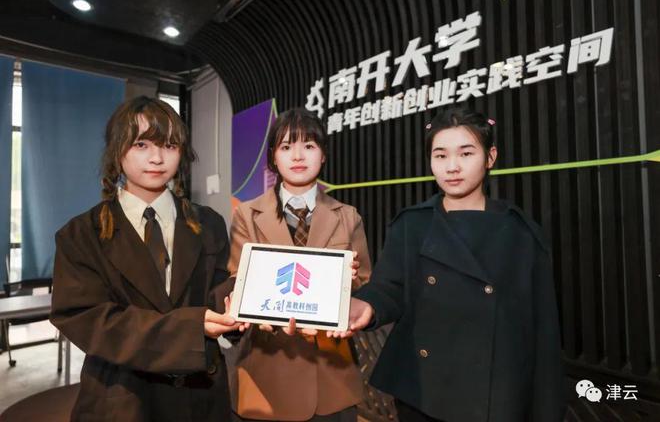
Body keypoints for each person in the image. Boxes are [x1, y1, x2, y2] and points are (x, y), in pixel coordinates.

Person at [341, 107, 566, 421]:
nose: (452, 167)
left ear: (490, 157)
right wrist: (367, 305)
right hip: (423, 391)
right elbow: (389, 287)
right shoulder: (412, 224)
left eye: (466, 153)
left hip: (496, 393)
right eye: (441, 155)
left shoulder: (520, 233)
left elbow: (543, 333)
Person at [50, 96, 243, 422]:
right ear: (117, 150)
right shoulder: (81, 234)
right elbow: (87, 317)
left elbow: (216, 290)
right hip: (122, 399)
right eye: (141, 144)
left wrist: (243, 302)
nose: (157, 158)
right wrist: (189, 328)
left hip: (200, 398)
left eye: (169, 145)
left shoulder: (208, 222)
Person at [228, 108, 371, 421]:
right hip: (266, 373)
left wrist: (349, 281)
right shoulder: (246, 215)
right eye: (286, 146)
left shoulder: (348, 216)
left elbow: (365, 285)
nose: (297, 156)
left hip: (331, 378)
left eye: (309, 145)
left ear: (323, 155)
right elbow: (238, 279)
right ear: (273, 157)